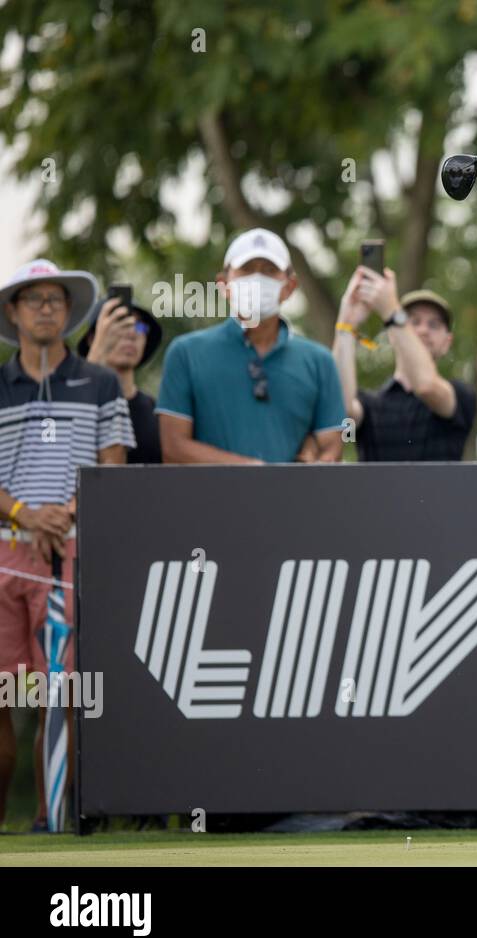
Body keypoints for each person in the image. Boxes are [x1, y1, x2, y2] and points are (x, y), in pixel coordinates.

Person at [0, 259, 133, 830]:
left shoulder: (99, 383)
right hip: (5, 549)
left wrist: (68, 512)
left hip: (72, 551)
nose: (47, 307)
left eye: (57, 299)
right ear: (14, 311)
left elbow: (113, 464)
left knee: (65, 693)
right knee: (6, 696)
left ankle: (49, 824)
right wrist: (24, 513)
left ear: (69, 310)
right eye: (35, 299)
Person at [156, 228, 346, 464]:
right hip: (207, 499)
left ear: (289, 286)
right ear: (223, 285)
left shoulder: (320, 361)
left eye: (269, 270)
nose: (257, 279)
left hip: (294, 500)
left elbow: (334, 445)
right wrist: (251, 471)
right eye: (246, 269)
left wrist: (314, 457)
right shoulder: (186, 353)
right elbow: (173, 448)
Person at [332, 268, 476, 461]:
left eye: (434, 325)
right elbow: (340, 411)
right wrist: (346, 325)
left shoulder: (461, 396)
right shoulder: (370, 405)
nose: (423, 330)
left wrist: (392, 311)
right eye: (413, 322)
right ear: (393, 335)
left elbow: (426, 386)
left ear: (447, 342)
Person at [79, 294, 165, 464]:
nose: (132, 333)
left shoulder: (157, 413)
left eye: (139, 326)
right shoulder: (69, 403)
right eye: (119, 324)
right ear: (92, 338)